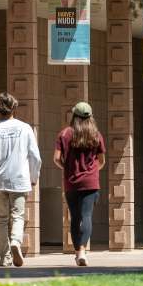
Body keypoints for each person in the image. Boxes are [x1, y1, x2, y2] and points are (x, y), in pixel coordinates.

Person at [0, 93, 42, 267]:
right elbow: (35, 157)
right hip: (20, 179)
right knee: (18, 216)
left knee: (1, 219)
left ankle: (5, 256)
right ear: (14, 107)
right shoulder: (25, 128)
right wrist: (33, 177)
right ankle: (16, 241)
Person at [54, 102, 106, 266]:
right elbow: (102, 161)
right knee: (87, 216)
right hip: (90, 182)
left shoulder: (64, 134)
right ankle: (83, 251)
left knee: (75, 218)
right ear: (90, 117)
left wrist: (67, 169)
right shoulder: (96, 135)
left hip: (71, 182)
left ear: (74, 116)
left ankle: (78, 254)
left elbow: (56, 158)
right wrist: (92, 172)